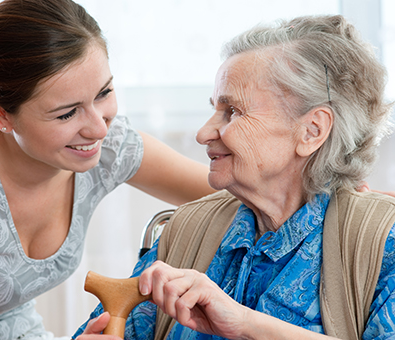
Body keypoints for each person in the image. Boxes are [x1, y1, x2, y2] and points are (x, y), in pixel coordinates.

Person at [0, 0, 216, 339]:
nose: (99, 129)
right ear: (0, 114)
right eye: (66, 114)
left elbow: (231, 192)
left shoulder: (108, 145)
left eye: (103, 93)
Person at [74, 14, 395, 340]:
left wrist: (245, 324)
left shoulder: (381, 242)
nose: (203, 133)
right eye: (214, 109)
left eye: (233, 111)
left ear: (312, 131)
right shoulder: (188, 229)